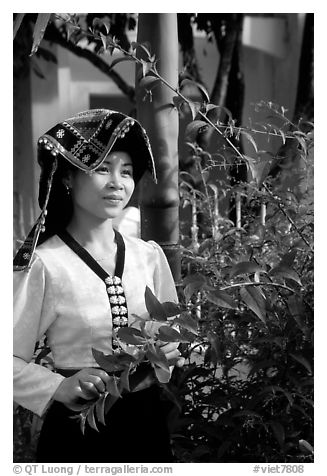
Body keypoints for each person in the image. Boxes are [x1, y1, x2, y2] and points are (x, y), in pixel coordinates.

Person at [13, 109, 183, 463]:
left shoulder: (148, 256)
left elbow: (173, 336)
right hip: (79, 431)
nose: (117, 183)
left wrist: (169, 350)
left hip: (149, 426)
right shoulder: (44, 264)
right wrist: (57, 386)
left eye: (127, 172)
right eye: (102, 169)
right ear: (68, 179)